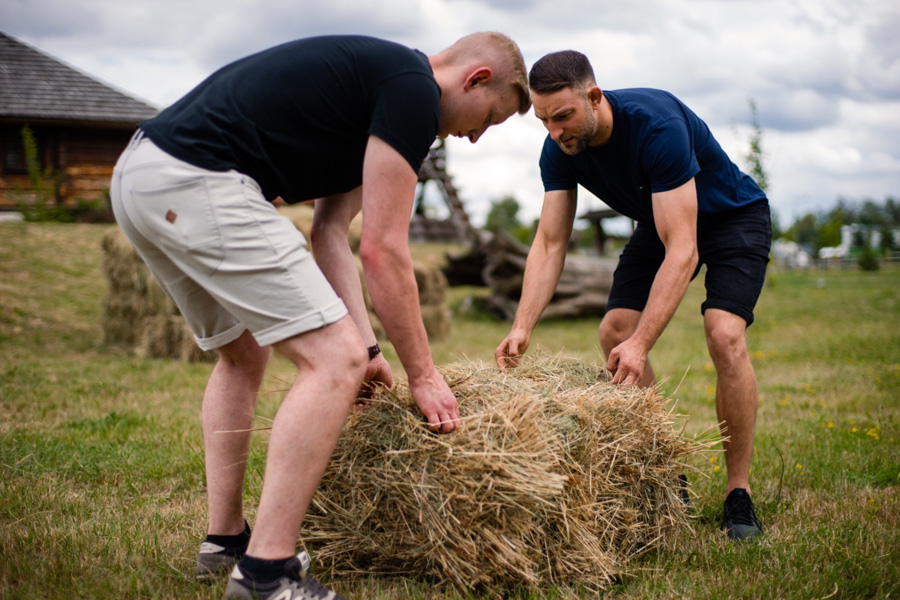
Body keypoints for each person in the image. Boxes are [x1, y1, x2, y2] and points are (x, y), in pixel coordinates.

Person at [110, 32, 530, 600]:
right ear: (475, 79)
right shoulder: (412, 92)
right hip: (198, 177)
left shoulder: (381, 91)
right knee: (333, 360)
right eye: (490, 118)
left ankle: (226, 543)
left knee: (244, 353)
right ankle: (268, 573)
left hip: (142, 174)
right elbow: (384, 251)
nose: (477, 136)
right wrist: (422, 374)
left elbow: (331, 231)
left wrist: (372, 351)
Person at [494, 50, 770, 542]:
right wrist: (522, 325)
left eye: (564, 116)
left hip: (731, 216)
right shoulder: (558, 150)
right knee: (614, 330)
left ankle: (738, 495)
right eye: (543, 121)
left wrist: (643, 344)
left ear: (594, 97)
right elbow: (551, 242)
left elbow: (683, 251)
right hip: (663, 218)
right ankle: (667, 473)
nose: (556, 131)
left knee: (724, 334)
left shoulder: (655, 125)